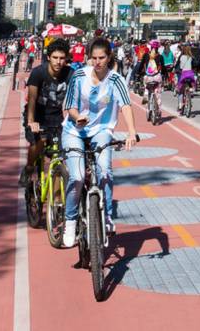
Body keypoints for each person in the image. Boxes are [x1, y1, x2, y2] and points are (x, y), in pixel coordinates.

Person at [61, 38, 139, 247]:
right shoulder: (78, 76)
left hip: (101, 131)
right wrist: (78, 117)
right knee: (77, 177)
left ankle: (107, 218)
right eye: (93, 58)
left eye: (101, 58)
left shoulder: (116, 80)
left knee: (105, 170)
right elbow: (69, 106)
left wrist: (132, 132)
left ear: (109, 57)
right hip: (75, 130)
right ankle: (69, 221)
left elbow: (126, 105)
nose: (97, 62)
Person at [20, 39, 71, 187]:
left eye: (62, 58)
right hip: (37, 115)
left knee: (60, 156)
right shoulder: (38, 73)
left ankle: (56, 206)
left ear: (66, 58)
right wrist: (31, 121)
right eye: (55, 58)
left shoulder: (70, 73)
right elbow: (32, 99)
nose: (58, 62)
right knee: (40, 142)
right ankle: (29, 168)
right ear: (49, 57)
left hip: (56, 117)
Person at [175, 45, 196, 113]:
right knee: (191, 83)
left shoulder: (182, 57)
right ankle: (191, 90)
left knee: (180, 90)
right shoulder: (191, 57)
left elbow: (180, 67)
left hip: (184, 74)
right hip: (191, 74)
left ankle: (180, 105)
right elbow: (194, 66)